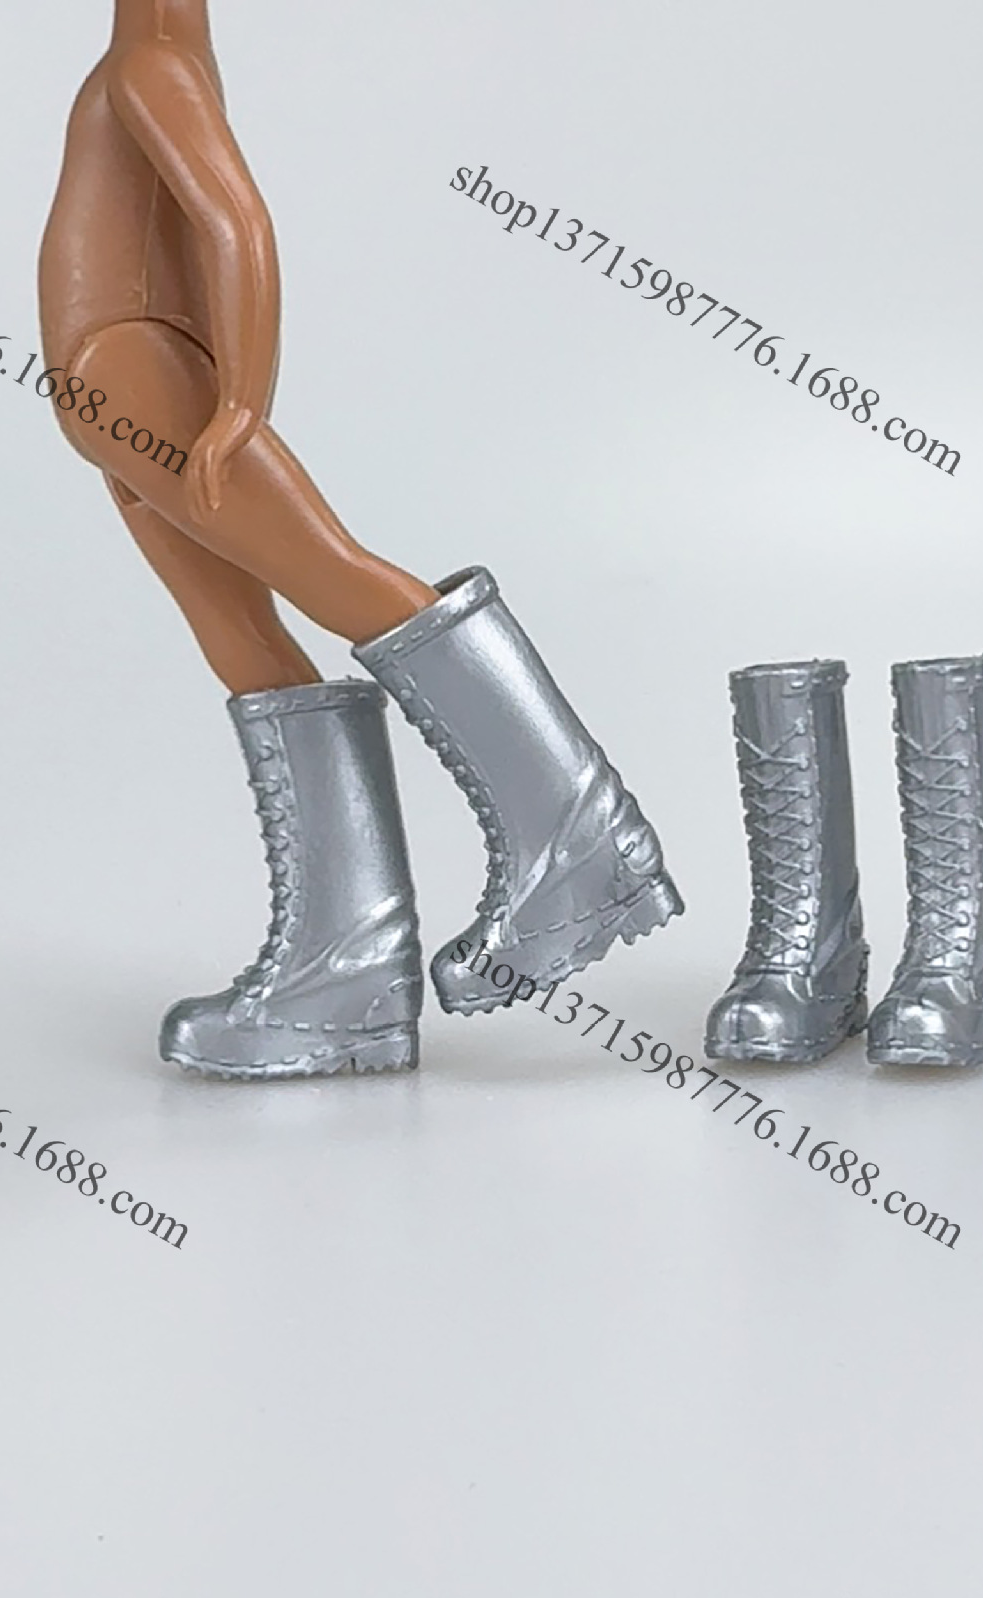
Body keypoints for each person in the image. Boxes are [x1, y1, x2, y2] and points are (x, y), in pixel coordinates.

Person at [40, 0, 681, 1080]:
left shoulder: (153, 65)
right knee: (245, 642)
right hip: (115, 392)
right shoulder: (151, 61)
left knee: (327, 573)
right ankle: (346, 978)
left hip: (135, 372)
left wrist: (240, 405)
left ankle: (578, 836)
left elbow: (238, 225)